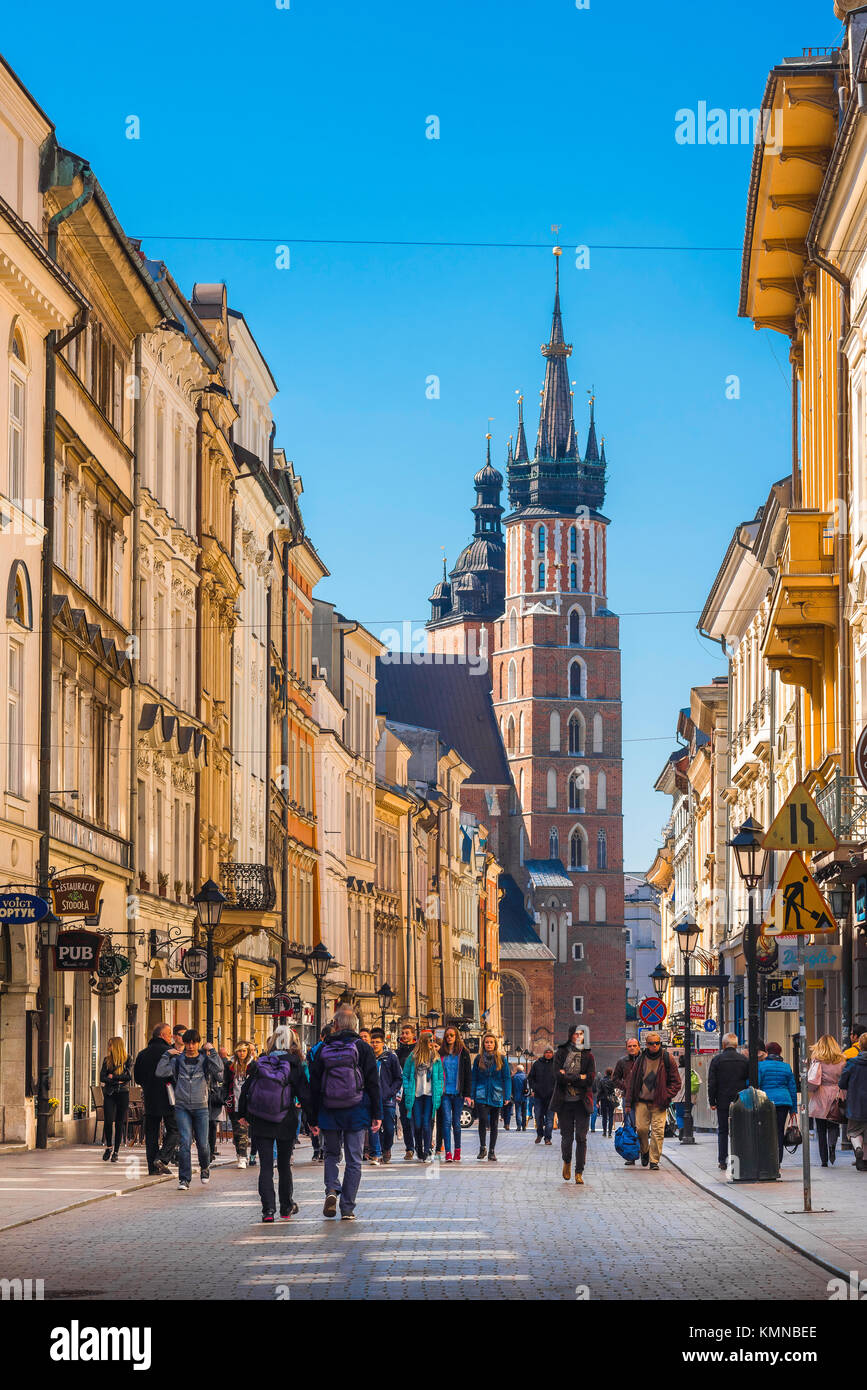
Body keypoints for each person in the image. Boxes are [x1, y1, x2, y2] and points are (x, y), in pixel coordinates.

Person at [308, 1005, 382, 1220]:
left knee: (331, 1154)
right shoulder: (364, 1048)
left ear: (336, 1024)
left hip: (329, 1110)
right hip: (356, 1110)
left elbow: (314, 1085)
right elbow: (372, 1083)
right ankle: (347, 1208)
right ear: (356, 1026)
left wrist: (312, 1117)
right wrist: (377, 1113)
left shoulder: (322, 1048)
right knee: (354, 1159)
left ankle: (332, 1189)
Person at [239, 1025, 312, 1221]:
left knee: (265, 1167)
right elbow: (304, 1093)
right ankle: (286, 1207)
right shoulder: (294, 1063)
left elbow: (246, 1089)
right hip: (285, 1119)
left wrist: (242, 1114)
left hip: (261, 1120)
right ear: (292, 1042)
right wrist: (312, 1120)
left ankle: (268, 1211)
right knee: (283, 1166)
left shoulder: (261, 1061)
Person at [155, 1029, 224, 1190]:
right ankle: (184, 1179)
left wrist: (212, 1051)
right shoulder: (177, 1061)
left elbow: (219, 1072)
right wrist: (167, 1055)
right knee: (185, 1142)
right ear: (184, 1043)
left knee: (203, 1144)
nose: (191, 1046)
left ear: (198, 1043)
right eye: (188, 1043)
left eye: (194, 1042)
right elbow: (160, 1072)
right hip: (182, 1107)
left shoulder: (205, 1060)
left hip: (201, 1107)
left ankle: (205, 1167)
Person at [624, 1032, 680, 1170]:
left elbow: (676, 1082)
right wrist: (628, 1103)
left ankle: (654, 1160)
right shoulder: (640, 1060)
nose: (654, 1046)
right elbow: (631, 1082)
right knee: (642, 1130)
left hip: (659, 1102)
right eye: (651, 1043)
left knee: (658, 1131)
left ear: (660, 1044)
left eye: (657, 1043)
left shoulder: (667, 1058)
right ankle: (644, 1151)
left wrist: (667, 1094)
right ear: (646, 1045)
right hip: (641, 1101)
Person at [134, 1022, 179, 1175]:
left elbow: (137, 1078)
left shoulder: (142, 1054)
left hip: (150, 1098)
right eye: (169, 1034)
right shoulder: (171, 1053)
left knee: (151, 1133)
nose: (171, 1037)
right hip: (169, 1097)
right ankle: (162, 1157)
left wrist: (148, 1084)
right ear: (162, 1035)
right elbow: (175, 1075)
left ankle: (152, 1168)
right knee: (175, 1129)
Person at [553, 1026, 596, 1185]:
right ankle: (567, 1161)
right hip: (564, 1102)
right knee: (567, 1137)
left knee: (581, 1138)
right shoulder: (561, 1053)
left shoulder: (588, 1055)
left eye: (581, 1034)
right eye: (575, 1034)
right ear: (570, 1035)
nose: (578, 1037)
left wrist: (569, 1076)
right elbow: (557, 1075)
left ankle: (579, 1172)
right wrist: (579, 1077)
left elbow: (590, 1079)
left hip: (582, 1103)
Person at [707, 1033, 749, 1170]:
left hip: (723, 1100)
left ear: (723, 1045)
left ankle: (723, 1160)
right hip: (740, 1101)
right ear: (736, 1045)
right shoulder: (744, 1060)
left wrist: (712, 1101)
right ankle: (741, 1158)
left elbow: (712, 1083)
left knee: (723, 1131)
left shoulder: (717, 1060)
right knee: (740, 1130)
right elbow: (749, 1081)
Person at [402, 1030, 444, 1163]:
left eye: (433, 1041)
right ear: (423, 1042)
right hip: (416, 1094)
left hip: (430, 1095)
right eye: (429, 1041)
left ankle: (426, 1150)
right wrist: (408, 1088)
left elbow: (440, 1077)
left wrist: (438, 1090)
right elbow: (406, 1075)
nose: (432, 1044)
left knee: (427, 1123)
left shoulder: (436, 1058)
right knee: (418, 1124)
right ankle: (418, 1147)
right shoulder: (413, 1056)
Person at [469, 1032, 512, 1162]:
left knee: (494, 1123)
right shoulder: (478, 1058)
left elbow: (507, 1078)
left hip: (496, 1093)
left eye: (491, 1042)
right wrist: (472, 1095)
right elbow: (474, 1078)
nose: (489, 1044)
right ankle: (482, 1147)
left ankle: (492, 1151)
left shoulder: (502, 1059)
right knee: (482, 1119)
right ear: (483, 1044)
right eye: (486, 1042)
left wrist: (507, 1095)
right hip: (481, 1093)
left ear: (495, 1044)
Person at [808, 1034, 846, 1168]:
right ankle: (832, 1146)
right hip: (836, 1093)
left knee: (821, 1129)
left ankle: (824, 1159)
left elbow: (813, 1080)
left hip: (821, 1094)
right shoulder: (842, 1060)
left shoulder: (817, 1059)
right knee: (834, 1124)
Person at [757, 1041, 798, 1163]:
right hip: (784, 1102)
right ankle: (778, 1160)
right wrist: (793, 1109)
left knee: (767, 1130)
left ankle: (768, 1158)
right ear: (780, 1052)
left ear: (767, 1052)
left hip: (767, 1102)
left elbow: (756, 1083)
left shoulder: (761, 1066)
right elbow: (792, 1088)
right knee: (779, 1130)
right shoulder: (786, 1067)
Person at [369, 1029, 402, 1163]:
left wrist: (390, 1092)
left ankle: (386, 1148)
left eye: (377, 1042)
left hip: (387, 1099)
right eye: (372, 1042)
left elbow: (398, 1078)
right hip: (372, 1098)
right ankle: (376, 1153)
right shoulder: (368, 1057)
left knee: (388, 1128)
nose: (374, 1044)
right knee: (373, 1127)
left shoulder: (390, 1057)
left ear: (383, 1043)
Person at [439, 1026, 472, 1162]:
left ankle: (457, 1150)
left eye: (452, 1035)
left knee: (456, 1123)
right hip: (445, 1093)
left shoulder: (463, 1053)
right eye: (447, 1036)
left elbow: (468, 1075)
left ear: (456, 1036)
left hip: (458, 1093)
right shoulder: (441, 1052)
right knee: (446, 1121)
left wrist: (468, 1094)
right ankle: (447, 1152)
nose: (449, 1037)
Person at [100, 1036, 132, 1163]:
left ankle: (116, 1152)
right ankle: (109, 1147)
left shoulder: (127, 1059)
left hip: (123, 1093)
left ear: (116, 1046)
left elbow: (128, 1076)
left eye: (110, 1045)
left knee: (119, 1122)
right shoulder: (107, 1060)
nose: (108, 1047)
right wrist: (116, 1078)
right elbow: (102, 1077)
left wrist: (112, 1076)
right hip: (109, 1093)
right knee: (108, 1120)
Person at [839, 1032, 867, 1170]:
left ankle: (857, 1149)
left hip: (856, 1103)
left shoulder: (852, 1063)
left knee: (855, 1131)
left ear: (860, 1046)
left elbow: (842, 1083)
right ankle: (865, 1161)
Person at [612, 1038, 641, 1164]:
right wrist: (625, 1086)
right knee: (629, 1126)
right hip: (627, 1098)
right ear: (626, 1048)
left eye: (635, 1045)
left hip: (643, 1098)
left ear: (639, 1047)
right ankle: (631, 1155)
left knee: (643, 1127)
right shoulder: (622, 1062)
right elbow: (615, 1078)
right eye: (630, 1046)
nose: (632, 1048)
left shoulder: (644, 1060)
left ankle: (644, 1152)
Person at [224, 1042, 252, 1169]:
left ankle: (243, 1156)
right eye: (239, 1051)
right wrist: (225, 1098)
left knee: (243, 1130)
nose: (241, 1053)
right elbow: (226, 1083)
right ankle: (239, 1153)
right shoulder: (230, 1066)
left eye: (244, 1051)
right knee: (237, 1131)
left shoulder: (252, 1066)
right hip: (233, 1102)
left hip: (248, 1103)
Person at [396, 1023, 417, 1160]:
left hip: (416, 1090)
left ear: (413, 1035)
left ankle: (421, 1146)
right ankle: (409, 1148)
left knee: (417, 1119)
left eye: (407, 1033)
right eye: (403, 1033)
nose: (404, 1035)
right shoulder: (397, 1052)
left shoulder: (417, 1050)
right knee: (405, 1119)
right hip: (403, 1090)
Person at [528, 1047, 555, 1145]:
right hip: (539, 1095)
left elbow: (559, 1079)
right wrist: (534, 1088)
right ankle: (540, 1134)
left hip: (551, 1096)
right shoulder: (537, 1064)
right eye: (546, 1052)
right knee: (538, 1116)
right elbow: (530, 1078)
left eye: (550, 1052)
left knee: (550, 1118)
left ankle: (547, 1138)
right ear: (544, 1053)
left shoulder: (556, 1064)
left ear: (552, 1053)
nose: (548, 1054)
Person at [596, 1068, 617, 1138]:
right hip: (611, 1099)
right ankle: (610, 1133)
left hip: (603, 1099)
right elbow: (615, 1089)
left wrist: (597, 1101)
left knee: (604, 1117)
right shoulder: (613, 1081)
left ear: (605, 1073)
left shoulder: (601, 1081)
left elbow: (599, 1092)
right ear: (611, 1073)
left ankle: (604, 1132)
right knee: (611, 1116)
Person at [511, 1067, 529, 1131]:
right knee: (524, 1112)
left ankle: (518, 1126)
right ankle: (524, 1126)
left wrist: (512, 1094)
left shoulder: (514, 1077)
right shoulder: (525, 1077)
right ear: (523, 1069)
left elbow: (512, 1087)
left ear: (517, 1070)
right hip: (524, 1096)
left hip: (516, 1097)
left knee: (518, 1112)